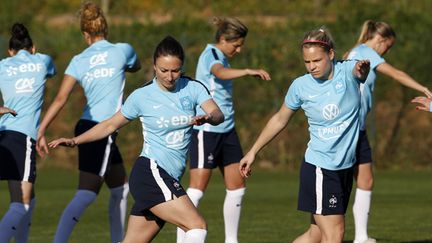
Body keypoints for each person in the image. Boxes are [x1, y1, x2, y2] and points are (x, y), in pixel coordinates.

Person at [48, 35, 224, 243]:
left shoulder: (192, 88)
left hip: (168, 177)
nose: (169, 76)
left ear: (182, 67)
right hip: (151, 173)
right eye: (163, 70)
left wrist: (209, 118)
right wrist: (76, 140)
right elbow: (109, 124)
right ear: (154, 66)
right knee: (197, 226)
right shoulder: (142, 96)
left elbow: (218, 114)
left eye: (175, 70)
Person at [239, 28, 371, 243]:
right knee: (334, 234)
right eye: (307, 62)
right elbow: (280, 119)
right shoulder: (300, 86)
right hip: (320, 168)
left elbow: (360, 74)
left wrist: (362, 70)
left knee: (315, 235)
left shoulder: (347, 71)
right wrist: (253, 151)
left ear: (331, 54)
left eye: (316, 60)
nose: (312, 67)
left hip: (344, 168)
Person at [36, 2, 141, 243]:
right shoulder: (123, 50)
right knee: (86, 192)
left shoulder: (78, 60)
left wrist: (41, 130)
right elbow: (136, 66)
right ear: (105, 28)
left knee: (120, 189)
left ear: (85, 34)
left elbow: (61, 98)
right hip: (101, 129)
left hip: (89, 125)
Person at [178, 16, 271, 243]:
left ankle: (231, 240)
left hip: (227, 131)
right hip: (206, 131)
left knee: (237, 186)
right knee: (197, 189)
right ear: (222, 39)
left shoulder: (223, 56)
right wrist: (248, 71)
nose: (238, 49)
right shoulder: (211, 54)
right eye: (236, 44)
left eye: (241, 45)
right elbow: (219, 73)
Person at [344, 20, 432, 243]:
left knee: (366, 180)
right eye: (388, 47)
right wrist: (423, 88)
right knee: (341, 183)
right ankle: (326, 233)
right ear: (380, 40)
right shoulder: (365, 52)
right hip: (346, 130)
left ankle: (361, 237)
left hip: (358, 129)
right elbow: (396, 73)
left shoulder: (357, 51)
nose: (386, 52)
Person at [0, 23, 56, 242]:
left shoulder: (3, 64)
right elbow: (48, 76)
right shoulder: (43, 61)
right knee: (20, 204)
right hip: (21, 137)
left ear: (10, 51)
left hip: (4, 135)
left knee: (27, 199)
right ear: (33, 48)